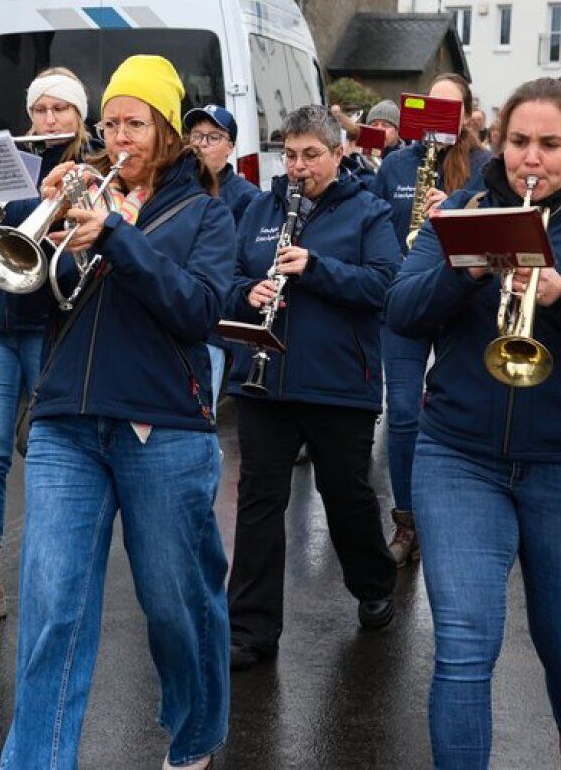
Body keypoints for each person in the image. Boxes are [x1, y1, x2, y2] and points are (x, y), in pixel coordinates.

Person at [386, 77, 561, 769]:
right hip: (460, 456)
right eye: (517, 142)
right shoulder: (462, 212)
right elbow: (401, 311)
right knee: (462, 646)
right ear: (497, 142)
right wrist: (467, 270)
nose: (531, 159)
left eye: (549, 144)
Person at [2, 55, 237, 770]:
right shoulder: (82, 195)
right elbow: (30, 305)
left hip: (160, 424)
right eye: (110, 124)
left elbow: (197, 310)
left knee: (175, 603)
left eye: (135, 123)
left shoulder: (205, 214)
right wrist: (42, 224)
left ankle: (194, 733)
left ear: (167, 131)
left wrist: (118, 237)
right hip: (67, 419)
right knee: (52, 605)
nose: (119, 137)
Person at [226, 105, 403, 670]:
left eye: (311, 155)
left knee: (345, 495)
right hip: (265, 380)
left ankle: (373, 582)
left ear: (338, 154)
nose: (298, 167)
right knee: (259, 502)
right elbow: (229, 276)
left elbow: (385, 285)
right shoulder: (261, 208)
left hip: (337, 383)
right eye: (291, 155)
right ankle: (250, 630)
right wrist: (246, 293)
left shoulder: (369, 212)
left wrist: (316, 267)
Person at [0, 67, 92, 628]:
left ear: (79, 114)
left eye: (60, 108)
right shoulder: (11, 161)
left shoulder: (93, 166)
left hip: (50, 325)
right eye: (40, 109)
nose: (49, 118)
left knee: (46, 456)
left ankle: (48, 574)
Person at [371, 73, 490, 567]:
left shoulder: (484, 165)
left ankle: (463, 512)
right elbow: (375, 222)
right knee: (402, 411)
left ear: (466, 115)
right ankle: (407, 521)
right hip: (405, 298)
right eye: (431, 107)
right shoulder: (397, 164)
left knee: (460, 405)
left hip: (459, 298)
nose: (439, 118)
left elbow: (495, 229)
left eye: (450, 108)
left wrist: (455, 212)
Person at [184, 102, 260, 396]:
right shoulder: (175, 187)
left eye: (213, 137)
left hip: (212, 329)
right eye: (196, 135)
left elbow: (242, 265)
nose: (201, 144)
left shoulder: (247, 198)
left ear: (230, 147)